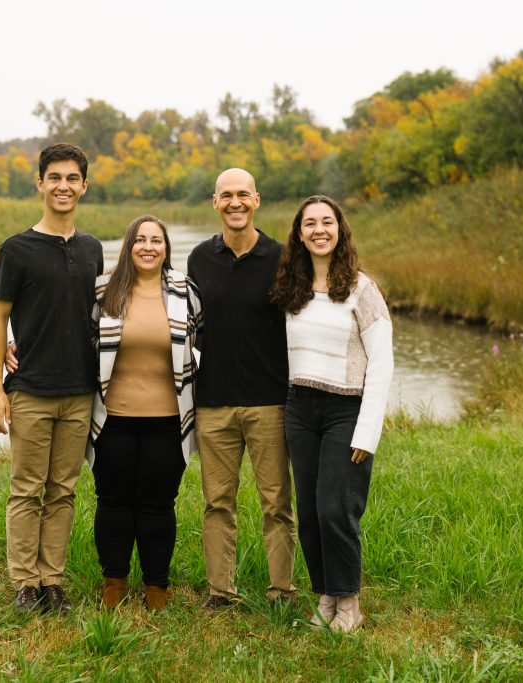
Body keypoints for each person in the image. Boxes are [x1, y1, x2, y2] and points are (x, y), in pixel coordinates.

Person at [0, 142, 102, 615]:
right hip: (31, 389)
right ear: (40, 183)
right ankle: (25, 584)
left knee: (63, 491)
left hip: (80, 392)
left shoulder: (92, 248)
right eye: (54, 177)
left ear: (84, 186)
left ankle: (52, 580)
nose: (63, 186)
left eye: (72, 178)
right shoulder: (15, 250)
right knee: (27, 489)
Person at [270, 194, 393, 631]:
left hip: (347, 410)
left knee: (335, 510)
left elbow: (382, 363)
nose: (319, 230)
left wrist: (367, 432)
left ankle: (350, 603)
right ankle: (326, 595)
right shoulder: (293, 288)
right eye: (310, 224)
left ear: (339, 230)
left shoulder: (362, 289)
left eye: (327, 222)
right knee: (308, 513)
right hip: (300, 409)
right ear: (299, 234)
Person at [187, 168, 296, 610]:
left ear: (256, 200)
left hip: (270, 401)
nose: (235, 202)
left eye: (243, 195)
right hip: (213, 402)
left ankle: (281, 592)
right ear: (215, 202)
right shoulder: (199, 258)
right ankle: (220, 592)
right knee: (217, 503)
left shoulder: (283, 257)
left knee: (277, 504)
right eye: (226, 195)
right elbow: (185, 324)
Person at [88, 215, 200, 611]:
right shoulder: (103, 290)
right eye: (140, 240)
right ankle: (113, 583)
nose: (148, 247)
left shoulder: (185, 291)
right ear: (128, 246)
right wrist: (15, 345)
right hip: (112, 419)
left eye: (156, 240)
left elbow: (211, 338)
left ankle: (156, 588)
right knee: (112, 502)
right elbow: (76, 337)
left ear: (166, 248)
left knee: (158, 505)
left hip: (169, 421)